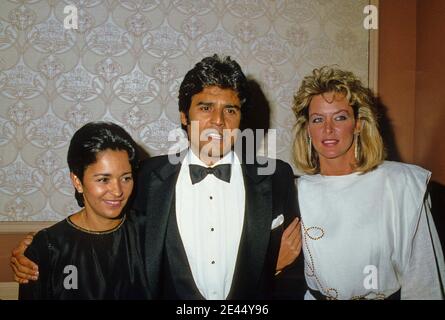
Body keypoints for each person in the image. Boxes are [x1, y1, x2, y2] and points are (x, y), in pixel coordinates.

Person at [11, 55, 304, 300]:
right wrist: (38, 250)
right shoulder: (148, 176)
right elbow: (104, 224)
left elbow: (292, 278)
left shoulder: (276, 176)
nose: (218, 120)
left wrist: (268, 270)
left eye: (230, 109)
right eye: (205, 108)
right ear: (184, 116)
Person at [292, 66, 445, 300]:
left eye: (340, 117)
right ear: (307, 129)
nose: (328, 129)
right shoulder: (297, 191)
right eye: (318, 119)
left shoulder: (401, 183)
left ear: (358, 124)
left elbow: (424, 280)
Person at [17, 121, 150, 299]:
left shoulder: (148, 233)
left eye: (126, 178)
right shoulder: (49, 246)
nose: (118, 191)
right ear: (77, 181)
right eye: (104, 179)